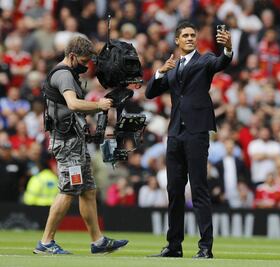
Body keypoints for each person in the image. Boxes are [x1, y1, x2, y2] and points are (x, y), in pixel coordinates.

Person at [33, 36, 128, 255]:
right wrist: (99, 105)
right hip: (66, 142)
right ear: (73, 56)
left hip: (74, 140)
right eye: (84, 60)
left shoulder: (68, 73)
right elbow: (73, 104)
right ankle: (46, 242)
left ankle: (98, 241)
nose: (87, 65)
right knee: (68, 190)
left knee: (88, 190)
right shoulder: (65, 75)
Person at [145, 21, 232, 259]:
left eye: (193, 35)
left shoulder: (204, 60)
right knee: (174, 191)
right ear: (177, 40)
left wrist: (228, 49)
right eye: (185, 35)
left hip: (196, 132)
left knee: (199, 189)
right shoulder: (172, 67)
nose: (190, 38)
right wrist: (160, 71)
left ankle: (205, 247)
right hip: (174, 134)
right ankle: (174, 246)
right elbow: (150, 92)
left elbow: (221, 62)